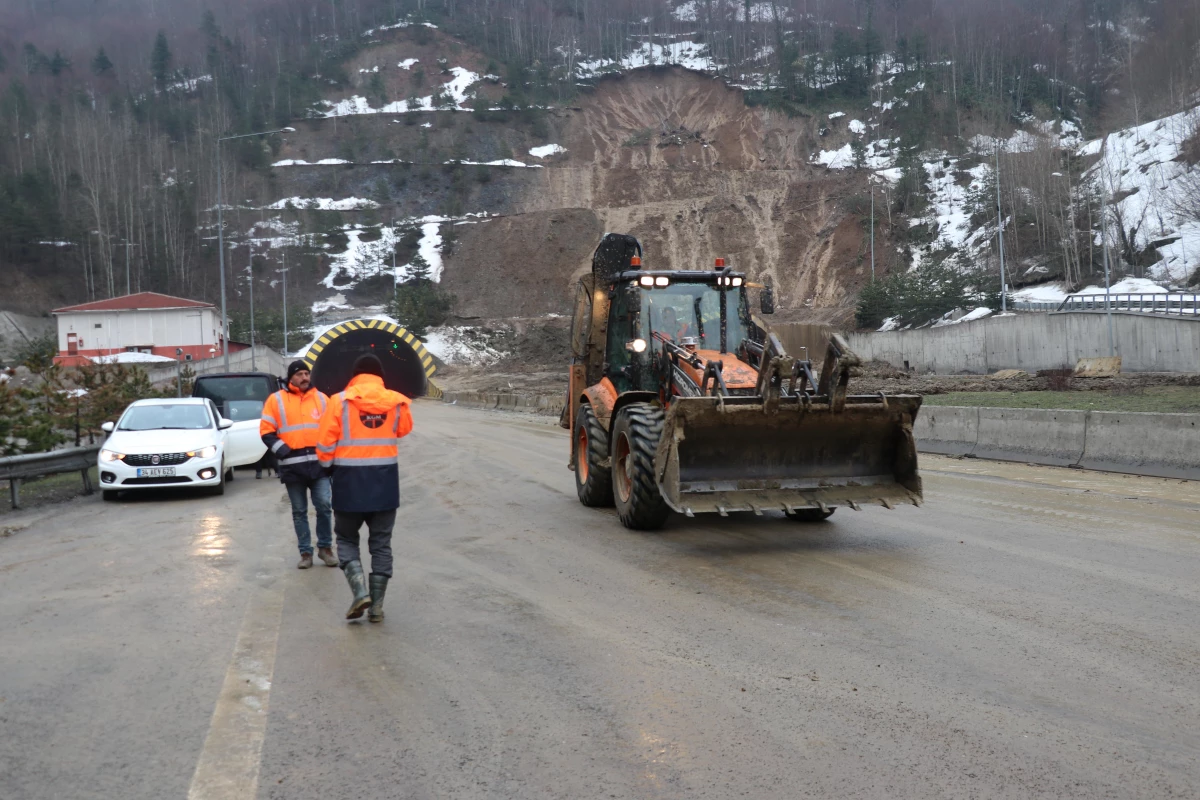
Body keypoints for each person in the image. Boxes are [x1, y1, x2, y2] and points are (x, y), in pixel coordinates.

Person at [317, 354, 413, 622]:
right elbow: (404, 429)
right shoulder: (396, 401)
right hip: (385, 484)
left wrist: (326, 467)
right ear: (380, 375)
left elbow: (324, 443)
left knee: (347, 539)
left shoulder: (340, 401)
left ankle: (360, 592)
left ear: (355, 374)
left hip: (349, 484)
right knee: (381, 545)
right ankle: (377, 607)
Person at [260, 360, 334, 570]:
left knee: (324, 507)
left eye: (306, 374)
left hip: (320, 466)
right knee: (299, 511)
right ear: (291, 377)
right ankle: (305, 553)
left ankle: (326, 548)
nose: (304, 378)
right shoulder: (276, 400)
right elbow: (266, 431)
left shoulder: (322, 399)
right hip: (293, 467)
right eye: (300, 374)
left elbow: (333, 429)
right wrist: (283, 450)